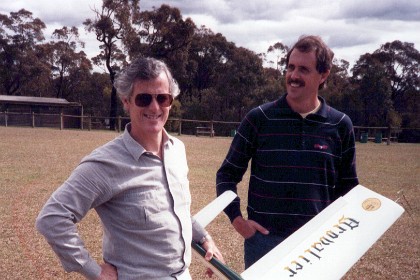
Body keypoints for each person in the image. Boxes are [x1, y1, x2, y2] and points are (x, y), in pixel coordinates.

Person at [36, 57, 223, 280]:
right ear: (126, 101)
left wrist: (204, 238)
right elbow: (52, 218)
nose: (155, 107)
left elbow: (176, 208)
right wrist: (93, 270)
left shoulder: (177, 150)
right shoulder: (105, 164)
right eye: (144, 99)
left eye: (162, 98)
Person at [216, 35, 359, 269]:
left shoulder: (341, 125)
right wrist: (237, 220)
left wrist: (338, 237)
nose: (293, 76)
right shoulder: (259, 119)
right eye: (291, 67)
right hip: (263, 243)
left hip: (317, 247)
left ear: (323, 75)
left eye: (304, 69)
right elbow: (226, 175)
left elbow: (349, 189)